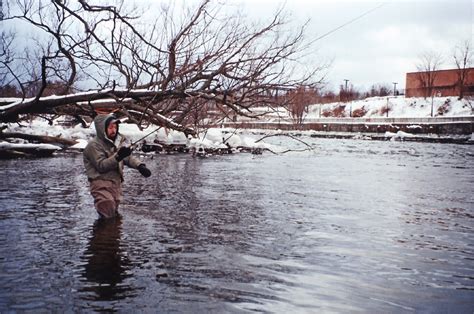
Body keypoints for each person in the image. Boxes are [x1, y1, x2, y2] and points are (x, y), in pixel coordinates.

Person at [83, 114, 151, 219]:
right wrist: (118, 156)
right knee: (107, 212)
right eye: (110, 127)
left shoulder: (117, 142)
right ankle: (103, 234)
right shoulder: (93, 146)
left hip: (116, 184)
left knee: (114, 217)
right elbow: (101, 165)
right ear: (102, 128)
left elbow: (127, 158)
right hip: (100, 184)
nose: (113, 130)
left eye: (115, 127)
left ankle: (112, 234)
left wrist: (140, 166)